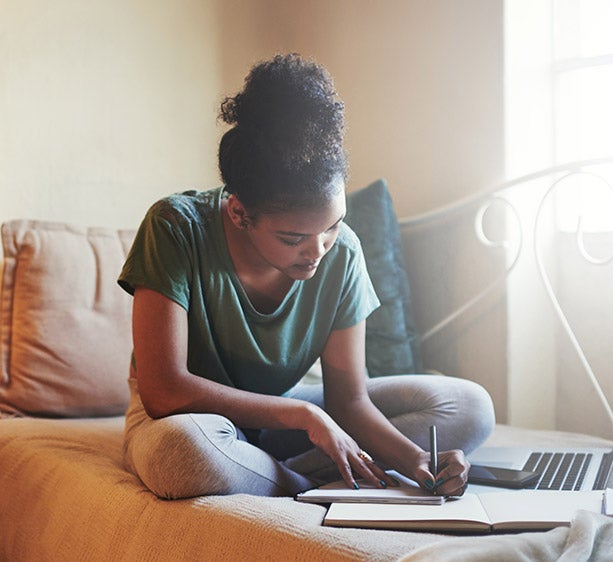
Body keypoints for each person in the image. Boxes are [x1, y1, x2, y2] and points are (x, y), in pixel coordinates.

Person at [118, 53, 494, 500]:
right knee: (183, 456)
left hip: (282, 425)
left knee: (470, 406)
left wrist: (418, 463)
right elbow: (163, 391)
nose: (317, 251)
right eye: (294, 236)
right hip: (188, 421)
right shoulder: (175, 228)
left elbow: (349, 403)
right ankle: (308, 483)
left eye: (332, 226)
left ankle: (267, 474)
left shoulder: (344, 253)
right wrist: (302, 415)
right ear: (239, 213)